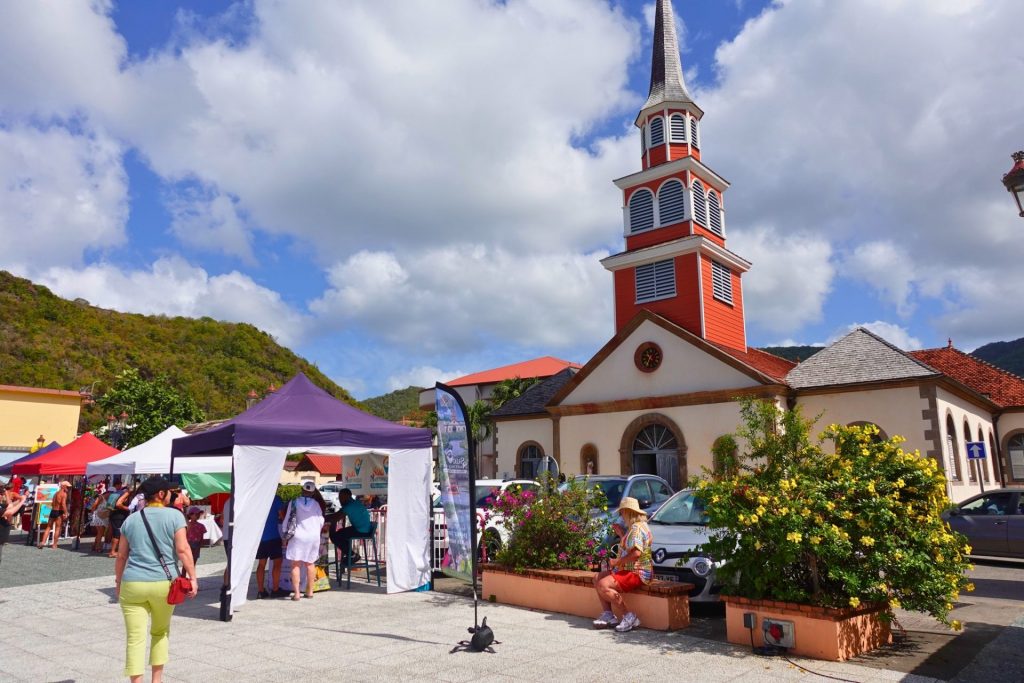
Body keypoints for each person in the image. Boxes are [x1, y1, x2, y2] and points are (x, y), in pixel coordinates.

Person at [115, 476, 198, 683]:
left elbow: (121, 555)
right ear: (161, 494)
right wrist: (193, 577)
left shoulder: (131, 519)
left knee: (135, 638)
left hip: (133, 582)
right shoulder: (175, 516)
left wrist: (118, 582)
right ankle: (157, 680)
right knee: (160, 632)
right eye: (169, 491)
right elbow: (182, 549)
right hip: (164, 583)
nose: (172, 495)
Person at [592, 496, 653, 633]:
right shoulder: (636, 527)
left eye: (622, 512)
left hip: (637, 572)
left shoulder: (636, 529)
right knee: (597, 578)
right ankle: (608, 615)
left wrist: (616, 562)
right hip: (630, 569)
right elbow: (630, 548)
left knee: (603, 584)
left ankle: (628, 616)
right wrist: (621, 535)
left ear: (627, 512)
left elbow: (636, 554)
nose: (621, 515)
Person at [282, 482, 326, 600]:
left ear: (302, 490)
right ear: (313, 492)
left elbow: (287, 519)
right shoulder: (316, 504)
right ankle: (310, 592)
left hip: (298, 536)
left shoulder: (294, 502)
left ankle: (297, 594)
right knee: (310, 564)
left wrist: (285, 534)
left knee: (295, 564)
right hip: (313, 536)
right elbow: (321, 520)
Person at [326, 488, 371, 564]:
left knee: (334, 536)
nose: (340, 500)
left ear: (347, 496)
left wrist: (322, 517)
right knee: (340, 534)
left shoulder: (349, 506)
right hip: (363, 528)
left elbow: (336, 517)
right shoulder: (354, 503)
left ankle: (352, 555)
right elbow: (337, 515)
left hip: (362, 531)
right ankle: (350, 554)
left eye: (341, 497)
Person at [255, 492, 287, 599]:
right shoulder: (275, 499)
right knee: (277, 563)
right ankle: (275, 589)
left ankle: (260, 591)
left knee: (261, 564)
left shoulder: (257, 498)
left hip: (260, 537)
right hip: (273, 535)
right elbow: (282, 516)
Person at [38, 480, 71, 549]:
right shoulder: (64, 494)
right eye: (67, 487)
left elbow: (53, 503)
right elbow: (63, 504)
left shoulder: (56, 493)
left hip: (53, 511)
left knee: (48, 527)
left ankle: (43, 542)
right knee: (58, 528)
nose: (68, 488)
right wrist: (66, 512)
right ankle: (54, 545)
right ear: (63, 486)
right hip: (59, 511)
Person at [1, 482, 27, 566]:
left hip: (5, 511)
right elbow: (10, 510)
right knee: (8, 520)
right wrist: (22, 499)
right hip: (6, 513)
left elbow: (10, 505)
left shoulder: (7, 495)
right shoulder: (13, 493)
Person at [108, 483, 133, 558]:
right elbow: (118, 504)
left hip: (114, 514)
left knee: (116, 533)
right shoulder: (126, 493)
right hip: (119, 515)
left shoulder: (119, 492)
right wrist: (127, 508)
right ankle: (112, 552)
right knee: (117, 533)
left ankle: (115, 550)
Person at [90, 483, 111, 553]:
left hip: (103, 517)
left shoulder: (109, 499)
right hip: (98, 516)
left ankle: (94, 545)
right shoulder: (101, 497)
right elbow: (94, 505)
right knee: (100, 532)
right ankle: (98, 547)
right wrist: (92, 513)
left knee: (100, 532)